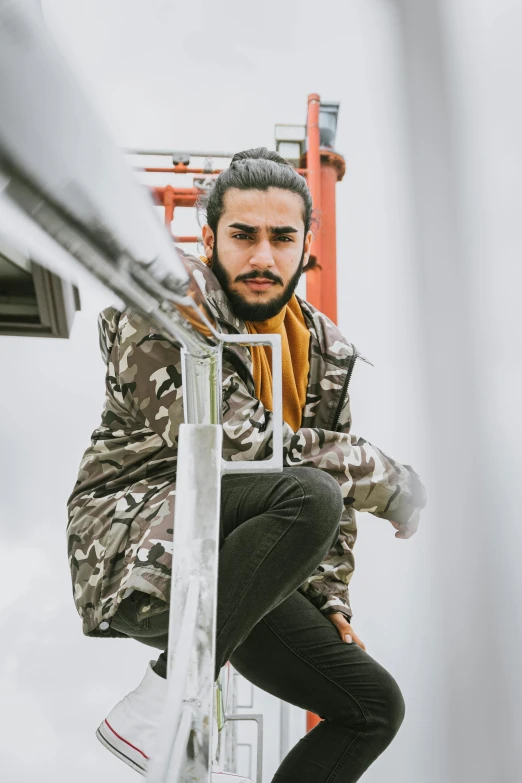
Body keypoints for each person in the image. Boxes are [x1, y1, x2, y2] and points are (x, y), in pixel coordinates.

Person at [67, 148, 426, 782]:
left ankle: (171, 692)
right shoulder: (160, 301)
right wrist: (387, 478)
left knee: (373, 707)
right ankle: (159, 702)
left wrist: (329, 599)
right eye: (243, 235)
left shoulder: (325, 350)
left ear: (305, 245)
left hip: (242, 563)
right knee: (308, 493)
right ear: (209, 238)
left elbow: (333, 497)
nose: (263, 257)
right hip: (139, 536)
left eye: (282, 238)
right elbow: (242, 446)